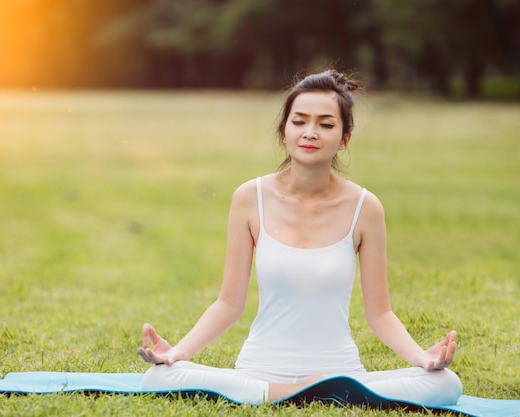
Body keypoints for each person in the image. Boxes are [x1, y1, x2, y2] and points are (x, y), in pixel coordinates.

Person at [137, 69, 463, 406]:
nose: (310, 133)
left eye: (325, 124)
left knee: (445, 384)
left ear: (344, 138)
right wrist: (177, 353)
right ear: (284, 131)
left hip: (338, 371)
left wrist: (421, 360)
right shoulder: (251, 197)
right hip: (260, 371)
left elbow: (379, 314)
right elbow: (229, 303)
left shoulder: (365, 208)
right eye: (299, 121)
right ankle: (308, 396)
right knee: (158, 376)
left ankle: (302, 392)